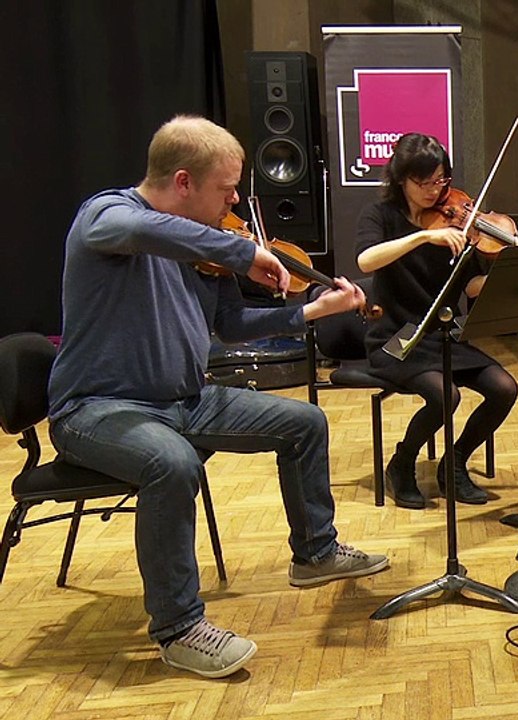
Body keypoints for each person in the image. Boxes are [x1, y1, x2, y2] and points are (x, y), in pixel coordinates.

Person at [47, 116, 389, 679]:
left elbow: (230, 325)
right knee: (172, 463)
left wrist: (310, 311)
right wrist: (237, 251)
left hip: (186, 399)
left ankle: (316, 553)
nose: (235, 200)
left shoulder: (206, 242)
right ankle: (179, 628)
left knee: (305, 423)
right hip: (97, 409)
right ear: (183, 181)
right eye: (226, 188)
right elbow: (138, 229)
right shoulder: (105, 215)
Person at [355, 133, 518, 508]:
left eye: (441, 180)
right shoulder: (380, 216)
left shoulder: (459, 223)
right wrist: (423, 238)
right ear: (401, 179)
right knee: (445, 395)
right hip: (396, 338)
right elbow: (365, 260)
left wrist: (512, 271)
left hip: (442, 333)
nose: (435, 191)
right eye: (425, 182)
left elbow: (472, 286)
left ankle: (455, 462)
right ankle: (402, 464)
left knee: (504, 388)